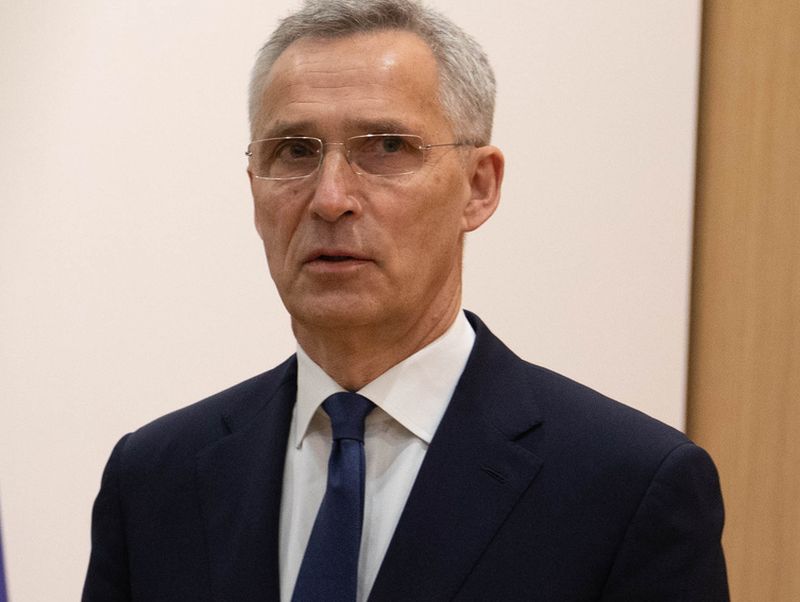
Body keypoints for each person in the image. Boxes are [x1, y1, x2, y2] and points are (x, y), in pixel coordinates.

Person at [82, 1, 729, 600]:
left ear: (479, 187)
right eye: (295, 151)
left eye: (387, 147)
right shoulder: (154, 480)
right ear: (254, 185)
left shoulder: (629, 488)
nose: (330, 198)